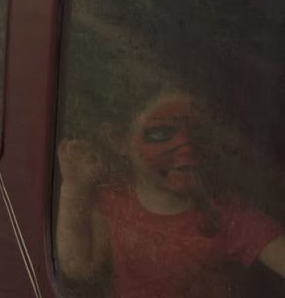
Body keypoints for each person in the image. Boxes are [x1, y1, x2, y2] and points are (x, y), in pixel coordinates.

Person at [56, 86, 285, 297]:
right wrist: (74, 188)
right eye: (160, 133)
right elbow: (77, 266)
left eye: (197, 133)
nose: (187, 146)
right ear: (119, 139)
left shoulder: (225, 217)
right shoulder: (114, 200)